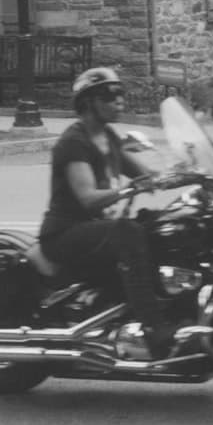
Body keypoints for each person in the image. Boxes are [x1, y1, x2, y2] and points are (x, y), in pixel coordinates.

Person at [37, 67, 178, 358]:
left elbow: (143, 174)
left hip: (94, 228)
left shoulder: (109, 136)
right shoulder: (74, 142)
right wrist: (129, 190)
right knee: (128, 233)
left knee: (161, 226)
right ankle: (154, 327)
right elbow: (88, 198)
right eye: (110, 95)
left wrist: (182, 173)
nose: (119, 101)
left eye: (120, 94)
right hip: (64, 233)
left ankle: (172, 306)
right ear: (89, 102)